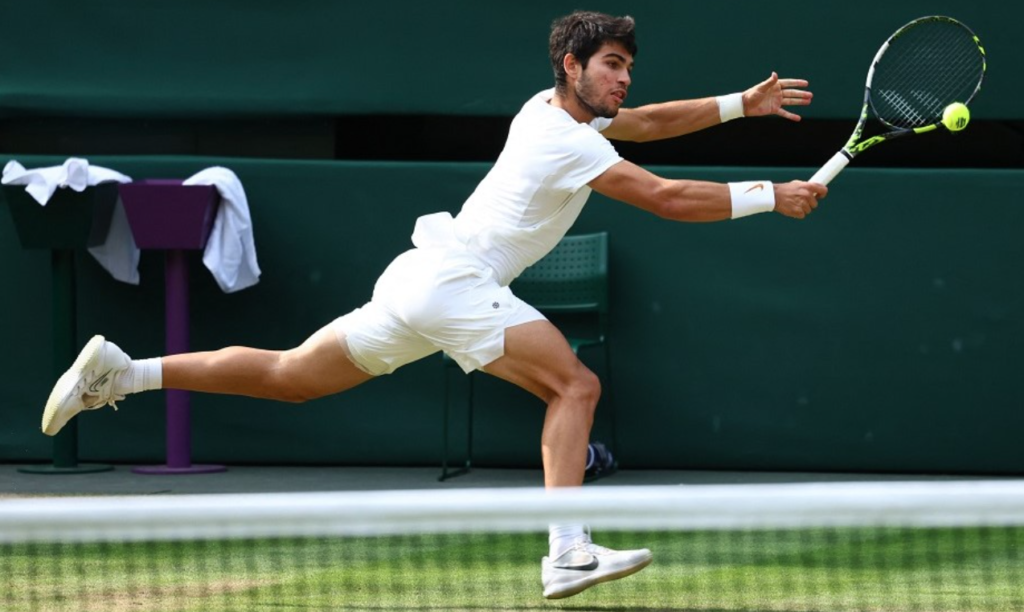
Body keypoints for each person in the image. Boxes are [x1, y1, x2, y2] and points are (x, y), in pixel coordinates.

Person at [40, 10, 826, 599]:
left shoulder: (547, 109)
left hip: (421, 277)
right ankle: (566, 550)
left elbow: (645, 124)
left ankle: (126, 373)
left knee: (291, 376)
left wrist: (738, 104)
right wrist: (771, 195)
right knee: (575, 386)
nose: (624, 80)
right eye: (612, 65)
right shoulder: (570, 140)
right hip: (455, 285)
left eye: (628, 67)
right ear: (571, 64)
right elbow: (664, 197)